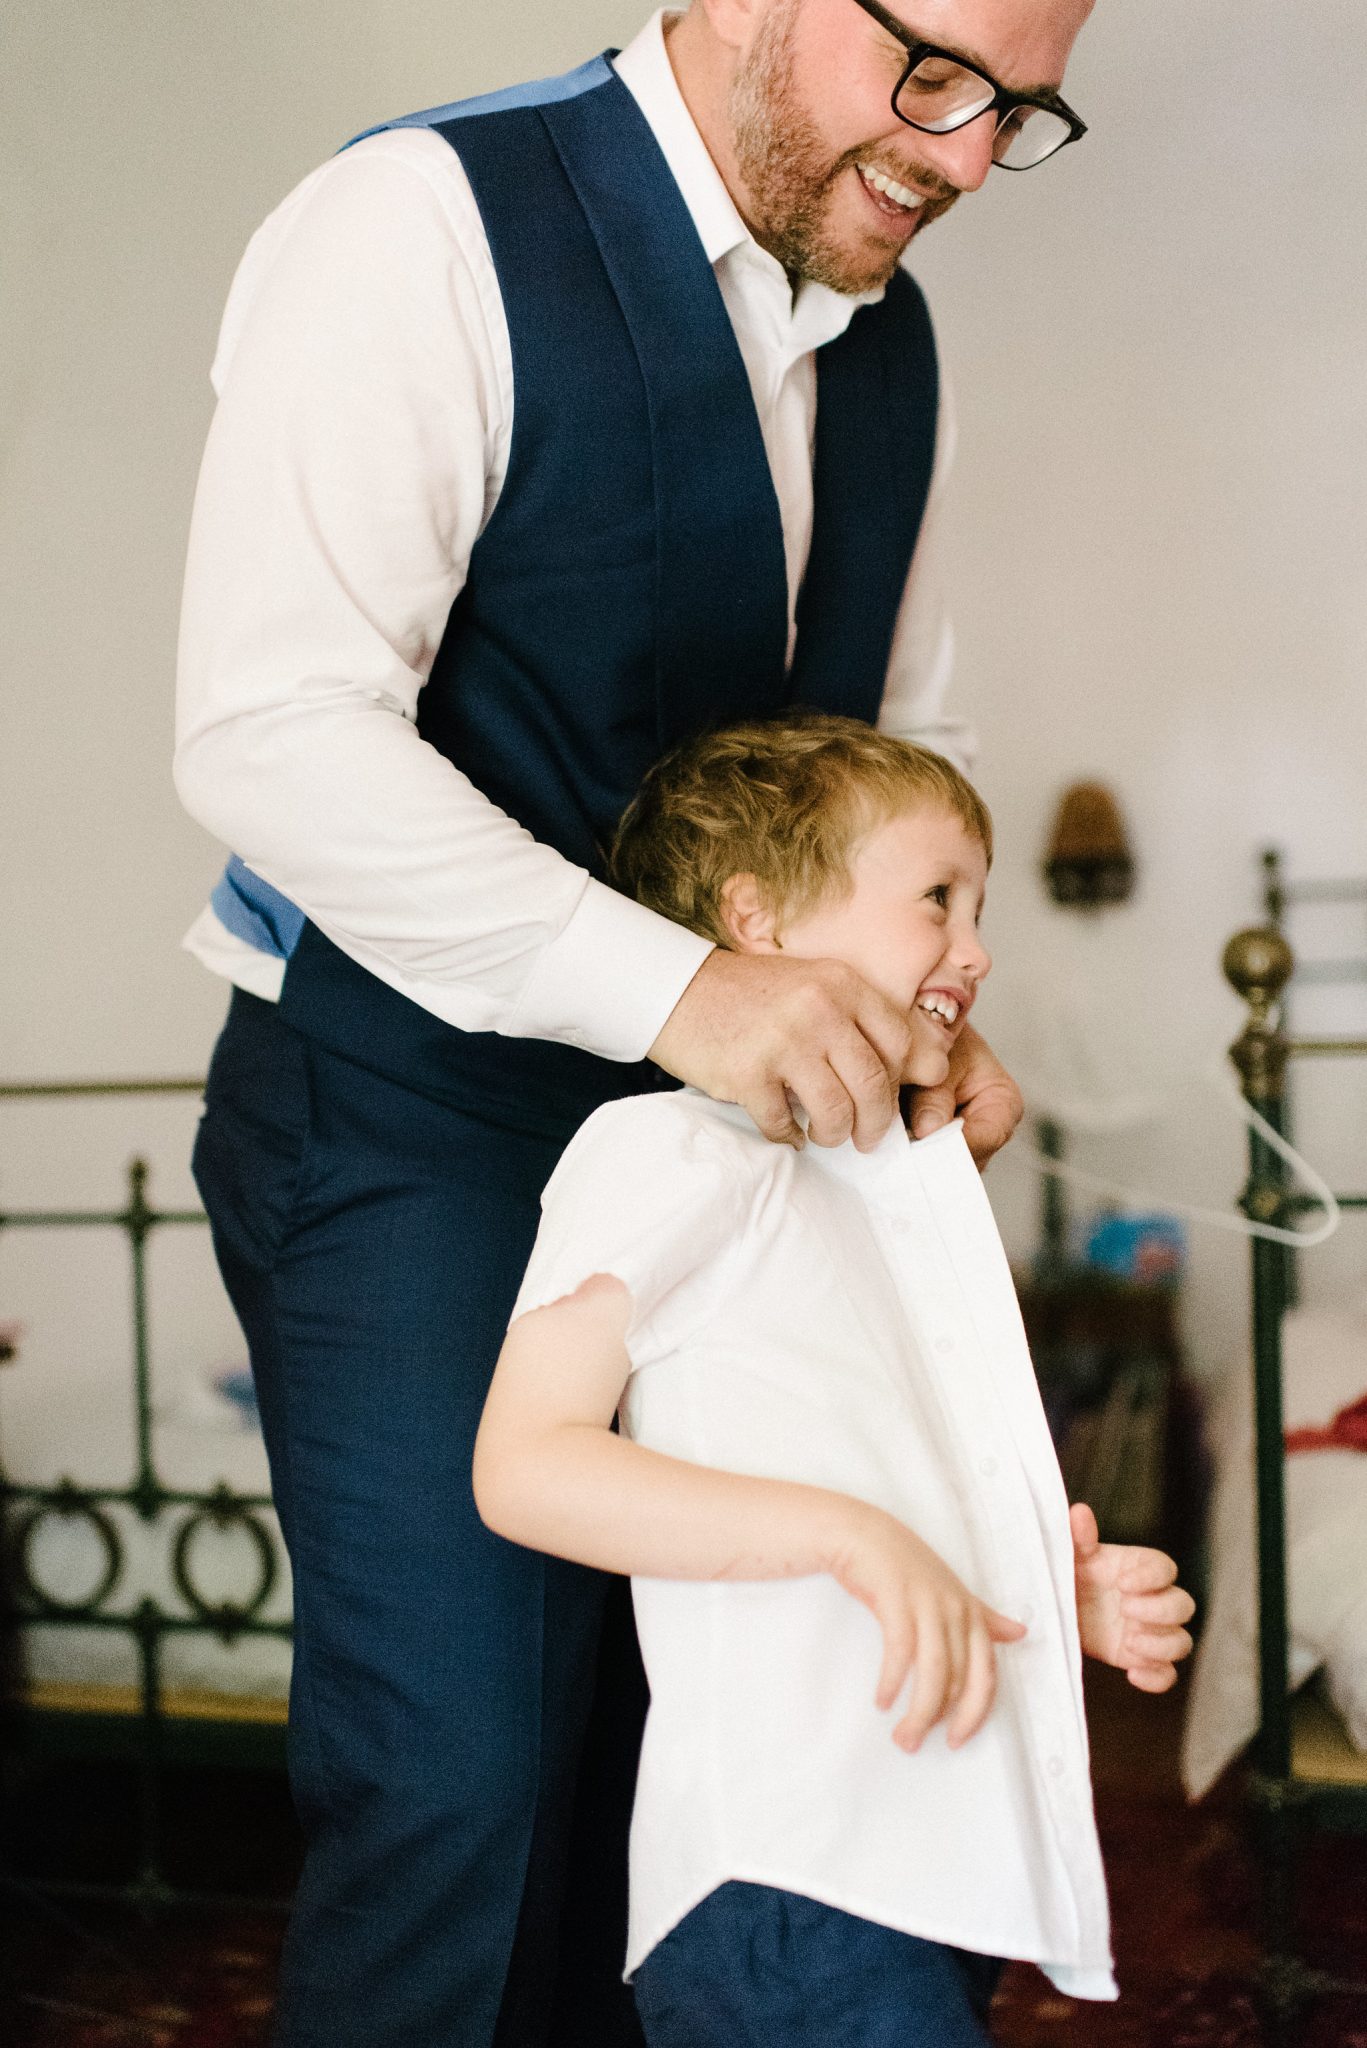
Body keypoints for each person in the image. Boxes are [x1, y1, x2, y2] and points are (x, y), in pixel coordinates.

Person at [174, 2, 1095, 2042]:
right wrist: (689, 988)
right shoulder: (422, 224)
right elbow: (269, 730)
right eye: (937, 73)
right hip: (411, 1119)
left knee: (703, 1779)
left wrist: (906, 999)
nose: (966, 154)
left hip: (740, 1151)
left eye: (1022, 110)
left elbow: (887, 745)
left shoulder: (893, 348)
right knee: (475, 1792)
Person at [473, 714, 1197, 2046]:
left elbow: (881, 1475)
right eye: (938, 900)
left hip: (928, 1860)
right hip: (789, 1872)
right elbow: (523, 1467)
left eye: (979, 910)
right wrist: (852, 1539)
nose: (976, 951)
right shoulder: (662, 1151)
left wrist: (1043, 1592)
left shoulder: (881, 1194)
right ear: (757, 921)